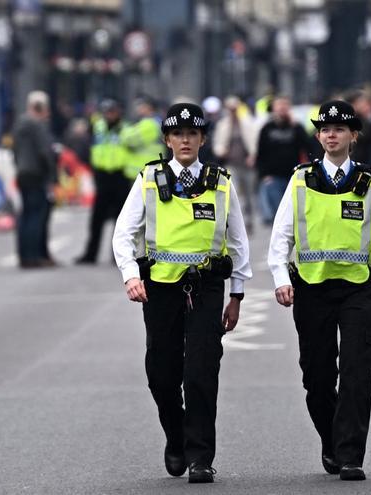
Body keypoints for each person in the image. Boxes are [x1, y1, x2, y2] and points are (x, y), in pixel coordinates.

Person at [268, 100, 371, 482]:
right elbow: (281, 235)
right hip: (312, 289)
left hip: (358, 289)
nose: (331, 135)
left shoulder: (368, 181)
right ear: (318, 136)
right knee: (316, 379)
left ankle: (350, 454)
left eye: (339, 129)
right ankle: (331, 440)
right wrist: (282, 278)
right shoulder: (300, 179)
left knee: (357, 371)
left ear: (353, 136)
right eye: (325, 129)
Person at [112, 102, 251, 484]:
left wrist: (237, 293)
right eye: (177, 135)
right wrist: (130, 276)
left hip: (206, 287)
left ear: (203, 139)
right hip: (159, 289)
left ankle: (200, 456)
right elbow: (123, 234)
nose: (185, 141)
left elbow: (237, 240)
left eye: (192, 134)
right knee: (162, 373)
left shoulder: (221, 182)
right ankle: (176, 436)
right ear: (168, 140)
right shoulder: (149, 179)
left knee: (202, 371)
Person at [75, 98, 132, 265]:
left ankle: (117, 255)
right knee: (96, 219)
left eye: (112, 111)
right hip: (102, 176)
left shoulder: (127, 128)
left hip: (120, 176)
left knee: (120, 220)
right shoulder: (97, 127)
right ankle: (90, 254)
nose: (109, 115)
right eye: (106, 111)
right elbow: (88, 146)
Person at [13, 91, 58, 269]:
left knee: (25, 216)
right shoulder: (37, 126)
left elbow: (15, 151)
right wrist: (52, 176)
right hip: (37, 175)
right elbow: (45, 152)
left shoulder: (19, 125)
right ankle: (34, 256)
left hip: (23, 173)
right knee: (36, 217)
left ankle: (25, 255)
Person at [254, 95, 313, 225]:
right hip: (273, 177)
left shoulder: (296, 127)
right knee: (279, 213)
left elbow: (309, 147)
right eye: (279, 105)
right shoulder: (267, 128)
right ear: (274, 108)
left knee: (295, 212)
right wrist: (263, 175)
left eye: (285, 105)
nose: (282, 108)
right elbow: (260, 152)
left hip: (294, 176)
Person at [212, 96, 258, 232]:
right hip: (231, 164)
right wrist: (222, 151)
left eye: (234, 108)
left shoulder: (247, 122)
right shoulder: (223, 125)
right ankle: (238, 222)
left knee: (249, 194)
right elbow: (217, 144)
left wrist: (252, 156)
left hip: (246, 164)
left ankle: (249, 220)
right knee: (236, 193)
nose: (232, 111)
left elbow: (254, 141)